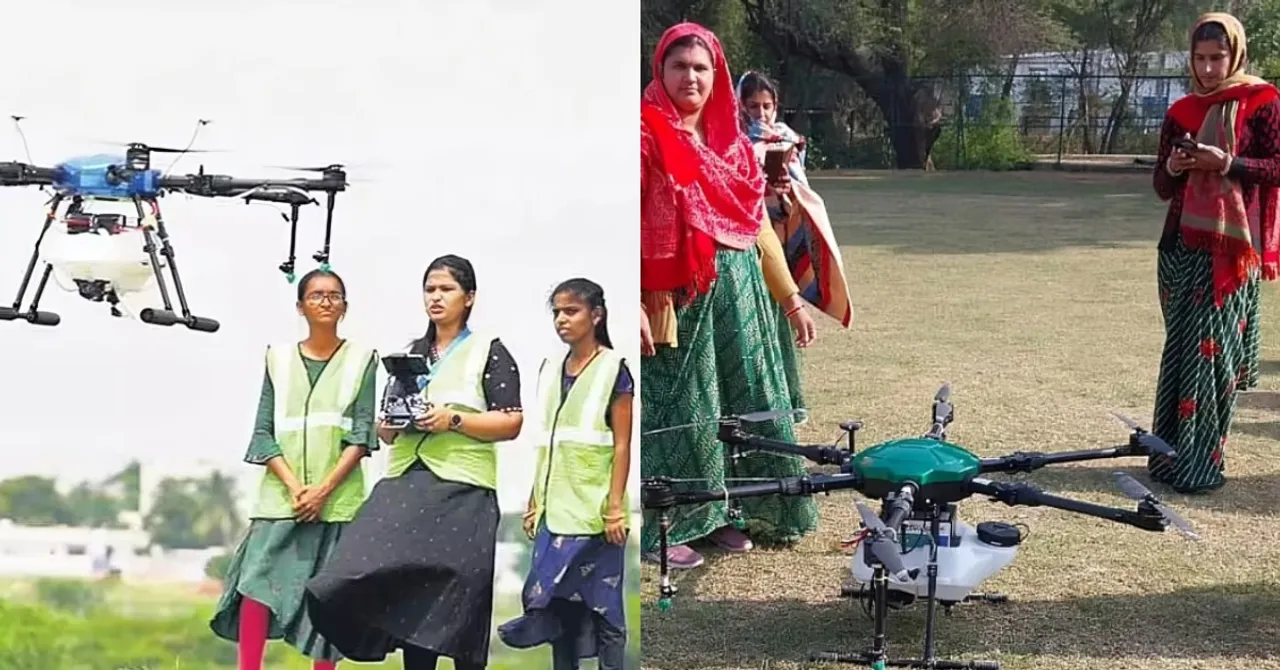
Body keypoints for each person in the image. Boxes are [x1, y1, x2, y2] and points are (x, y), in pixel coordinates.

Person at [640, 21, 819, 571]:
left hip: (739, 299)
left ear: (716, 77)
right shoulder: (642, 135)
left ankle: (726, 513)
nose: (690, 77)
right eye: (679, 66)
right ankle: (666, 525)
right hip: (677, 301)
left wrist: (789, 299)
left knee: (738, 407)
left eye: (701, 68)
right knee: (685, 410)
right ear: (660, 71)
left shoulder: (734, 147)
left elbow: (756, 227)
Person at [304, 254, 524, 670]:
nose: (436, 298)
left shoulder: (488, 351)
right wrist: (390, 426)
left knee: (461, 604)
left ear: (470, 297)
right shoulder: (411, 355)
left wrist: (453, 419)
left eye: (447, 289)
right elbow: (385, 427)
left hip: (464, 491)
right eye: (430, 289)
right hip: (406, 485)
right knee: (394, 589)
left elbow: (511, 420)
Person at [209, 268, 379, 670]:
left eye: (334, 295)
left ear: (345, 306)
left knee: (329, 597)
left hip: (337, 502)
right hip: (280, 499)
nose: (326, 302)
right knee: (256, 583)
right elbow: (263, 433)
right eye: (317, 295)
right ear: (300, 306)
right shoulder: (278, 359)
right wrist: (295, 488)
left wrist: (323, 491)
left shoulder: (362, 360)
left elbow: (361, 435)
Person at [1149, 12, 1279, 494]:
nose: (1208, 69)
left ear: (1236, 55)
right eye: (1200, 59)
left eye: (1217, 58)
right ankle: (1165, 459)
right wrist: (1175, 164)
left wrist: (1231, 163)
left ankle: (1200, 467)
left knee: (1211, 357)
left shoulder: (1262, 102)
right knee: (1180, 354)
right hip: (1179, 248)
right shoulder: (1182, 111)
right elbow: (1163, 187)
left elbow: (1277, 166)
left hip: (1229, 254)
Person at [497, 278, 633, 670]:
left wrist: (614, 509)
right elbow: (546, 442)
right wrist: (533, 498)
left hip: (595, 515)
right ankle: (540, 622)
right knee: (558, 607)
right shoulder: (549, 368)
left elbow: (621, 444)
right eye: (556, 312)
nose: (561, 319)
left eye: (570, 311)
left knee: (606, 612)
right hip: (553, 513)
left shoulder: (614, 370)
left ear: (596, 315)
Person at [737, 70, 856, 418]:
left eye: (767, 106)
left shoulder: (788, 140)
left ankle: (788, 399)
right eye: (753, 106)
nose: (761, 114)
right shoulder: (732, 141)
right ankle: (755, 402)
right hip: (746, 244)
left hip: (781, 240)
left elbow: (800, 190)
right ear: (741, 107)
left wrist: (784, 194)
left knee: (783, 320)